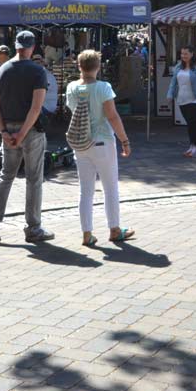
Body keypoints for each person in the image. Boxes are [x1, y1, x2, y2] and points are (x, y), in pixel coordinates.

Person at [0, 31, 52, 243]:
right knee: (34, 179)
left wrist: (4, 132)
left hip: (8, 129)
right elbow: (36, 107)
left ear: (15, 46)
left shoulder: (3, 70)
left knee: (6, 175)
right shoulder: (37, 71)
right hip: (30, 131)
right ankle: (33, 228)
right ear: (32, 47)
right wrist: (22, 133)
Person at [66, 49, 133, 246]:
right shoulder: (103, 87)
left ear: (79, 66)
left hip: (80, 142)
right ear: (98, 66)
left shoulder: (71, 88)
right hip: (102, 141)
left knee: (85, 191)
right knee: (110, 187)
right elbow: (112, 116)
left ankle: (87, 234)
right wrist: (124, 140)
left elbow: (72, 110)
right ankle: (114, 229)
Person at [168, 46, 196, 158]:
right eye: (182, 54)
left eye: (186, 54)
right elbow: (173, 82)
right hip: (182, 99)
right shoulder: (178, 66)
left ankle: (195, 147)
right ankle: (194, 146)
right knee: (191, 124)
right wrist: (170, 95)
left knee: (193, 122)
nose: (183, 56)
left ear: (192, 54)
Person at [32, 53, 59, 129]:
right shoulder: (37, 73)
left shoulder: (45, 74)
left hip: (47, 106)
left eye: (38, 61)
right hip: (43, 104)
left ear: (42, 62)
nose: (36, 63)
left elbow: (39, 94)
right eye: (34, 60)